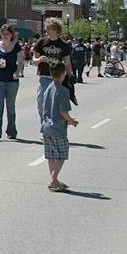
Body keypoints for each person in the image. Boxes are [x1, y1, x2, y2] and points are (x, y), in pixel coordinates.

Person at [40, 62, 78, 192]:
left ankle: (54, 180)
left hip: (46, 126)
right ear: (63, 74)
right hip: (57, 127)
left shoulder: (48, 88)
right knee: (62, 154)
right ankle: (53, 179)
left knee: (51, 155)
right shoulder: (62, 90)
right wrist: (71, 121)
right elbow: (63, 111)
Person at [32, 18, 72, 131]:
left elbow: (67, 62)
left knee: (58, 104)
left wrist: (69, 76)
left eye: (50, 28)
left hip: (59, 78)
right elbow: (33, 60)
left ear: (56, 29)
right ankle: (44, 127)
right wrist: (39, 59)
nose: (47, 30)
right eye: (47, 28)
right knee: (42, 104)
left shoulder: (63, 44)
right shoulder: (41, 42)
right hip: (44, 76)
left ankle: (58, 128)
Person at [0, 25, 25, 141]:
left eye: (7, 33)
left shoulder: (16, 47)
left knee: (10, 107)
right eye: (3, 33)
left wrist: (17, 72)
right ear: (0, 34)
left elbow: (21, 61)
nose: (5, 35)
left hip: (12, 81)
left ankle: (11, 131)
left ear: (11, 35)